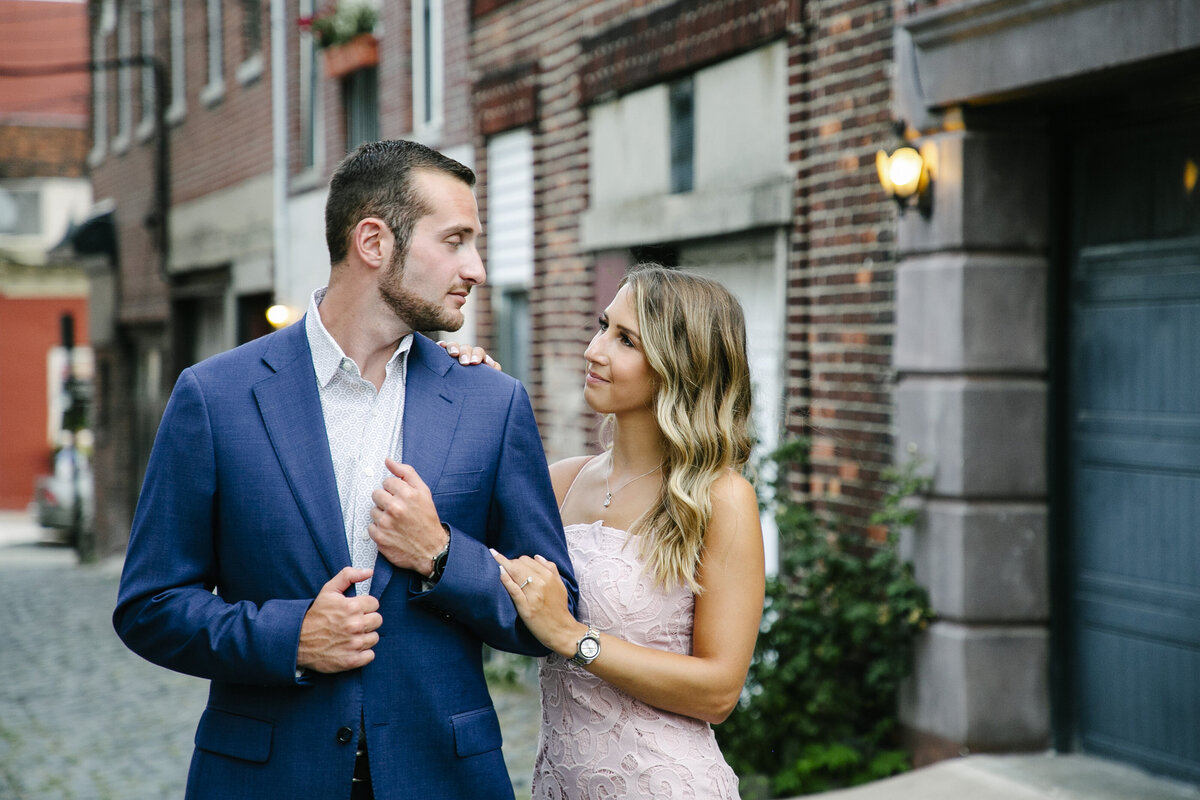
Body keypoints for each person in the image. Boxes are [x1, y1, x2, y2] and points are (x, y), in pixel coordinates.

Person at [113, 139, 577, 800]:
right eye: (455, 241)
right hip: (265, 779)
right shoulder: (215, 398)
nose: (476, 268)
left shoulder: (490, 403)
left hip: (443, 780)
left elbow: (560, 608)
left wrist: (445, 558)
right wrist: (290, 638)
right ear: (373, 241)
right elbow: (150, 606)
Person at [440, 265, 765, 799]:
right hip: (557, 783)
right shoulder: (561, 483)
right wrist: (466, 400)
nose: (595, 349)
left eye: (625, 339)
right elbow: (457, 555)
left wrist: (572, 638)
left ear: (677, 366)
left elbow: (719, 692)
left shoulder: (720, 498)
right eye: (602, 326)